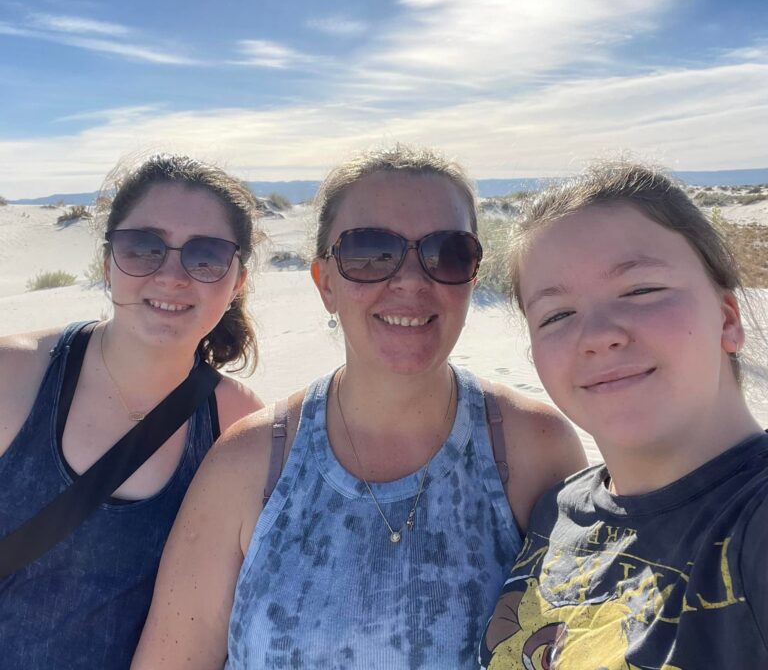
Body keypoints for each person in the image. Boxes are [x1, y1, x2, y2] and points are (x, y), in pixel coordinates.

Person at [132, 145, 587, 669]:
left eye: (448, 253)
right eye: (370, 253)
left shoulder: (536, 450)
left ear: (473, 276)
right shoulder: (247, 466)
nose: (412, 282)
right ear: (325, 282)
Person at [480, 162, 768, 669]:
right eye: (557, 315)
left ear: (727, 319)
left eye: (640, 290)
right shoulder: (556, 511)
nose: (596, 335)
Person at [0, 154, 264, 669]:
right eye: (143, 247)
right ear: (107, 263)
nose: (171, 275)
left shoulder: (237, 425)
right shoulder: (14, 376)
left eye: (205, 256)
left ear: (237, 283)